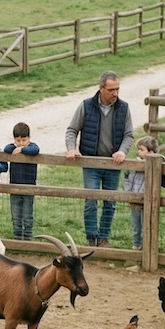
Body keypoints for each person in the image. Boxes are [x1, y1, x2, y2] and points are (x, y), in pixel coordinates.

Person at [65, 72, 133, 247]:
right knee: (91, 201)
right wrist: (71, 148)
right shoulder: (86, 106)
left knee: (110, 202)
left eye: (117, 89)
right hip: (91, 163)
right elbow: (72, 129)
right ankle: (91, 237)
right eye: (111, 90)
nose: (115, 93)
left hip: (113, 164)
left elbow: (129, 135)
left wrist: (122, 151)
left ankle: (104, 238)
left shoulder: (124, 108)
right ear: (101, 88)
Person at [3, 122, 39, 241]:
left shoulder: (31, 147)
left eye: (24, 140)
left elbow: (35, 149)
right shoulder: (12, 148)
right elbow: (6, 149)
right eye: (18, 140)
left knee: (27, 215)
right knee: (16, 214)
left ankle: (27, 237)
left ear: (29, 138)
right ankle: (17, 236)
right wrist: (16, 147)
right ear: (14, 139)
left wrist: (22, 149)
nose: (21, 143)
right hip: (14, 188)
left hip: (29, 188)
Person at [123, 137, 158, 251]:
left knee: (146, 225)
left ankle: (146, 246)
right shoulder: (134, 164)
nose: (139, 152)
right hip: (133, 200)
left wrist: (141, 196)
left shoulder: (154, 165)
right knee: (135, 224)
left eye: (142, 149)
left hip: (146, 200)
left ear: (151, 152)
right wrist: (128, 194)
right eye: (138, 149)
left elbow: (149, 183)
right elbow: (127, 178)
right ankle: (136, 244)